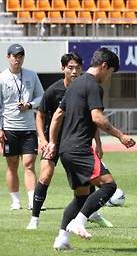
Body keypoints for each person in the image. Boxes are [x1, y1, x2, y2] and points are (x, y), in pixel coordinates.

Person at [45, 47, 136, 250]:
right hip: (79, 148)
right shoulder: (94, 86)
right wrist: (120, 136)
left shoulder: (75, 85)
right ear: (104, 66)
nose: (109, 77)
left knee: (81, 196)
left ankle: (62, 239)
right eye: (111, 72)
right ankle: (79, 222)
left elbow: (58, 115)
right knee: (109, 186)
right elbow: (97, 117)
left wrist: (52, 142)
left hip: (65, 149)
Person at [26, 53, 112, 230]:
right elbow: (41, 116)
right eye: (70, 68)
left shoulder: (84, 88)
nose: (74, 71)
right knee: (45, 175)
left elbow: (92, 119)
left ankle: (90, 214)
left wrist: (98, 143)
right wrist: (44, 140)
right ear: (63, 69)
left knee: (87, 181)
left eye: (78, 68)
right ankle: (34, 218)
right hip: (55, 141)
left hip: (75, 141)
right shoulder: (53, 91)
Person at [0, 43, 44, 210]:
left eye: (20, 56)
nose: (17, 59)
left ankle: (33, 201)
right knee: (12, 165)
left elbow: (42, 96)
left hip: (28, 127)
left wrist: (30, 104)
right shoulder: (2, 77)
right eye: (14, 56)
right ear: (8, 57)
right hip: (9, 126)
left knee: (29, 164)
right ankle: (15, 201)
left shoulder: (32, 75)